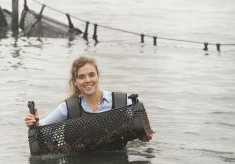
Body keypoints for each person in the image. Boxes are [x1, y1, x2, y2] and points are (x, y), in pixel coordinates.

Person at [24, 55, 155, 142]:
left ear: (98, 76)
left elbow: (141, 129)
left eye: (91, 75)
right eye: (81, 77)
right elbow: (42, 132)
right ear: (75, 82)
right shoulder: (68, 108)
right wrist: (34, 123)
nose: (88, 80)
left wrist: (145, 134)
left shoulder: (121, 101)